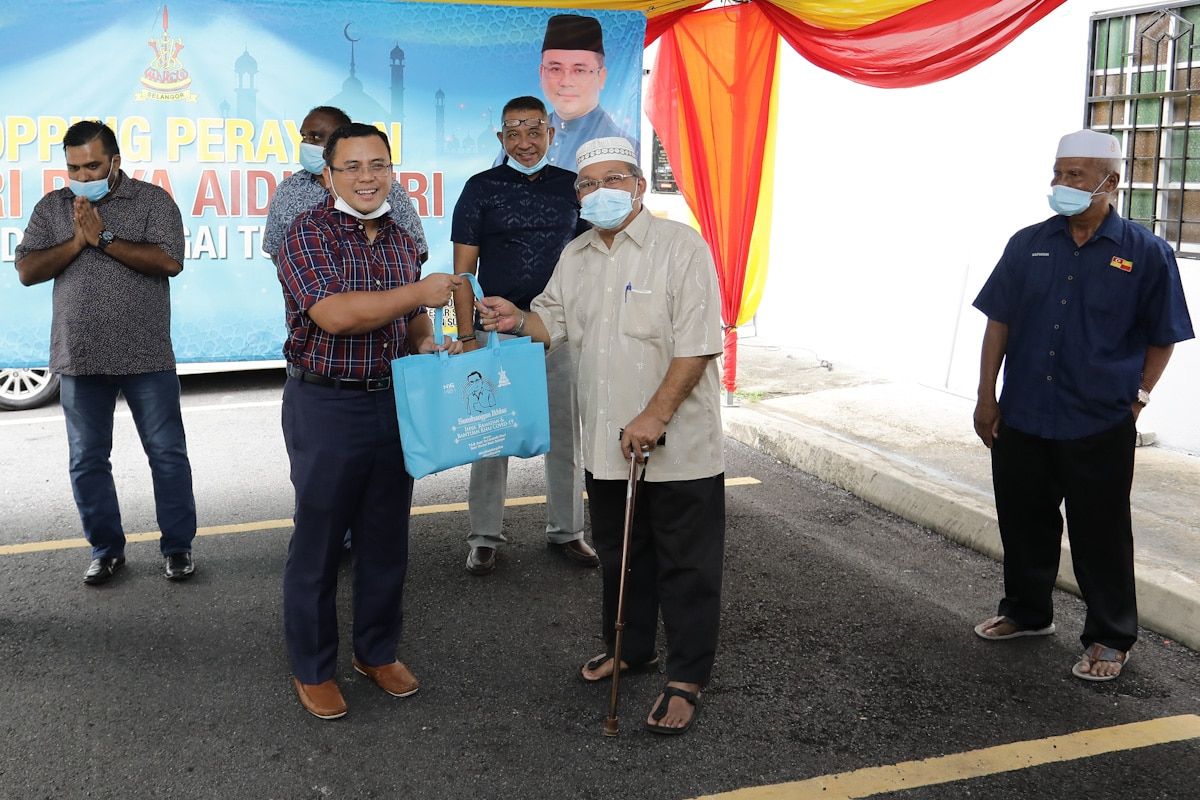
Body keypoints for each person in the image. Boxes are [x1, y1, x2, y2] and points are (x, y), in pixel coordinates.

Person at [476, 137, 725, 735]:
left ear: (638, 185)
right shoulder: (577, 255)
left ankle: (687, 677)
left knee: (686, 567)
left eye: (613, 179)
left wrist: (654, 416)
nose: (599, 192)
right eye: (587, 184)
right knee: (622, 556)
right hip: (607, 447)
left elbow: (697, 347)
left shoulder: (680, 249)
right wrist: (515, 320)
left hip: (678, 446)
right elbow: (550, 323)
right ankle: (631, 648)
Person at [971, 129, 1193, 682]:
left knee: (1101, 532)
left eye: (1075, 175)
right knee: (1024, 520)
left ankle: (1109, 637)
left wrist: (1138, 398)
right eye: (1058, 173)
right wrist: (986, 396)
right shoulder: (1028, 243)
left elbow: (1163, 336)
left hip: (1099, 419)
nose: (1061, 184)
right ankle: (1026, 612)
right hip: (1023, 412)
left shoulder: (1145, 253)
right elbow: (1000, 321)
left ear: (1110, 182)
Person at [276, 122, 461, 719]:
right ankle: (313, 666)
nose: (366, 177)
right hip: (326, 403)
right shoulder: (306, 233)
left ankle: (376, 652)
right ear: (328, 175)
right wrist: (419, 297)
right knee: (321, 543)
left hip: (393, 399)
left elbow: (414, 323)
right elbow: (335, 315)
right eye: (351, 166)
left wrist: (429, 344)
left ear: (391, 171)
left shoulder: (404, 236)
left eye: (376, 165)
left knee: (386, 540)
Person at [15, 120, 198, 585]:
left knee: (167, 454)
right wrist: (78, 239)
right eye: (74, 167)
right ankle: (105, 550)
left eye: (92, 164)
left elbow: (169, 261)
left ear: (115, 160)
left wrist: (105, 239)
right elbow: (27, 269)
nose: (83, 174)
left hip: (146, 354)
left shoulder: (152, 201)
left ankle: (178, 547)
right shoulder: (53, 208)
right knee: (87, 459)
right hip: (79, 356)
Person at [452, 96, 594, 575]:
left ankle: (568, 531)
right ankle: (484, 536)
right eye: (513, 133)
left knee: (564, 436)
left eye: (534, 131)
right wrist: (467, 336)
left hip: (560, 329)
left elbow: (597, 258)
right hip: (498, 330)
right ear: (501, 139)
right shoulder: (480, 189)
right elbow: (463, 274)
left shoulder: (574, 188)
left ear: (551, 133)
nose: (525, 142)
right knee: (491, 437)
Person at [263, 105, 428, 264]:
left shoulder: (384, 188)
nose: (306, 144)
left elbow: (417, 251)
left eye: (316, 137)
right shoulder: (288, 190)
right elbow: (276, 250)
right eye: (304, 137)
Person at [538, 14, 638, 169]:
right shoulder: (522, 140)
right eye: (555, 69)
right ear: (541, 73)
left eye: (579, 70)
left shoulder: (624, 149)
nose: (566, 82)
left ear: (601, 77)